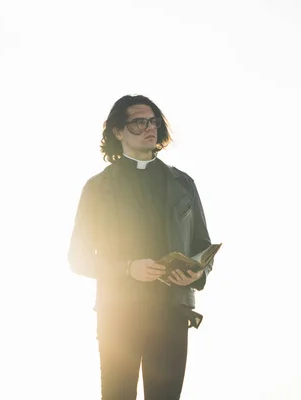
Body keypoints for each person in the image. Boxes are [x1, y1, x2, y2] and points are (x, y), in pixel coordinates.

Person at [68, 94, 215, 400]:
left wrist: (195, 274)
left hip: (172, 313)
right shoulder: (98, 187)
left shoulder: (183, 183)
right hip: (119, 315)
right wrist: (128, 268)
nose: (150, 128)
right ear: (118, 132)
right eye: (139, 122)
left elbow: (202, 247)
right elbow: (78, 258)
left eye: (153, 121)